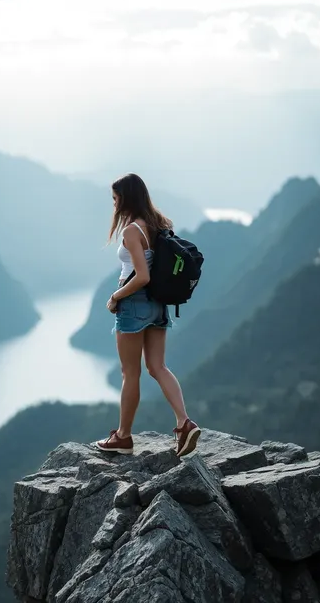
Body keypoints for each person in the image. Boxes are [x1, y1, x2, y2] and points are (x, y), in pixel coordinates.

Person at [96, 173, 201, 457]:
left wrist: (116, 296)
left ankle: (123, 437)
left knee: (130, 373)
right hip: (158, 303)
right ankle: (184, 423)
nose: (114, 205)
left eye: (116, 199)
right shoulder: (157, 225)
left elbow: (141, 276)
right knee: (158, 367)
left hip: (134, 303)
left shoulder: (132, 231)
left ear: (126, 198)